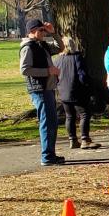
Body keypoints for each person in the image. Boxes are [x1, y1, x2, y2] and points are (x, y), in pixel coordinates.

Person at [19, 18, 65, 166]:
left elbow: (60, 48)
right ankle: (47, 156)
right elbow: (25, 70)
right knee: (47, 123)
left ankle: (50, 154)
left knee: (52, 122)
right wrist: (48, 71)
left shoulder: (42, 45)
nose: (43, 33)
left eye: (44, 30)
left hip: (49, 88)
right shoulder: (28, 47)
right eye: (41, 30)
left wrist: (53, 33)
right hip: (39, 89)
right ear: (32, 31)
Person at [57, 37, 100, 150]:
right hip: (77, 91)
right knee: (84, 114)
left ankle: (72, 140)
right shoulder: (77, 57)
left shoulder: (57, 60)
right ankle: (85, 139)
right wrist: (89, 87)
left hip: (63, 92)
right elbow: (82, 75)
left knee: (69, 116)